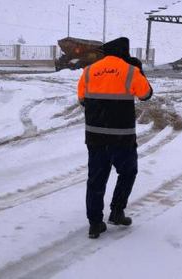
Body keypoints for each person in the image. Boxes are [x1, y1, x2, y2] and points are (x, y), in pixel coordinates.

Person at [77, 37, 153, 239]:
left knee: (96, 180)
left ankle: (95, 223)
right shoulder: (130, 70)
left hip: (95, 137)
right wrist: (140, 71)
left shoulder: (89, 71)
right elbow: (146, 94)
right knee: (128, 172)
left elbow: (82, 99)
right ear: (124, 52)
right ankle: (117, 212)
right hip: (122, 137)